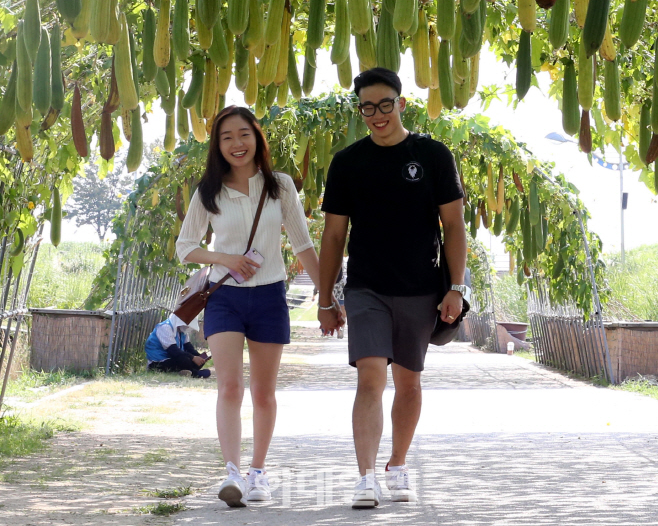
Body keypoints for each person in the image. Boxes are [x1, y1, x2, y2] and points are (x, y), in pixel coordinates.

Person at [319, 67, 468, 508]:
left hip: (421, 288)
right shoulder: (347, 163)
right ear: (360, 110)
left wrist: (455, 287)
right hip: (366, 287)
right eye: (368, 107)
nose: (377, 114)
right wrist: (326, 299)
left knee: (409, 382)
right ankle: (366, 477)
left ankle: (397, 464)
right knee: (370, 377)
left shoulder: (434, 155)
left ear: (401, 104)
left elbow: (454, 225)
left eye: (385, 104)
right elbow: (332, 236)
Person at [176, 105, 319, 509]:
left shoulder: (281, 186)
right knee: (230, 387)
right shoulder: (209, 191)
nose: (236, 144)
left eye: (243, 134)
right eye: (226, 138)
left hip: (270, 296)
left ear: (257, 138)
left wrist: (328, 296)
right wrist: (225, 259)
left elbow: (304, 244)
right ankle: (232, 472)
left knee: (263, 392)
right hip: (225, 299)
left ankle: (259, 473)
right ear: (218, 147)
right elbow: (185, 248)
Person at [145, 311, 211, 378]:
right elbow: (174, 351)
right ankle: (194, 373)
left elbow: (189, 348)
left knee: (193, 359)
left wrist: (200, 357)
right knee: (185, 360)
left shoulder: (182, 332)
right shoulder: (165, 327)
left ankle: (187, 372)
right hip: (159, 362)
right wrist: (193, 358)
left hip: (173, 359)